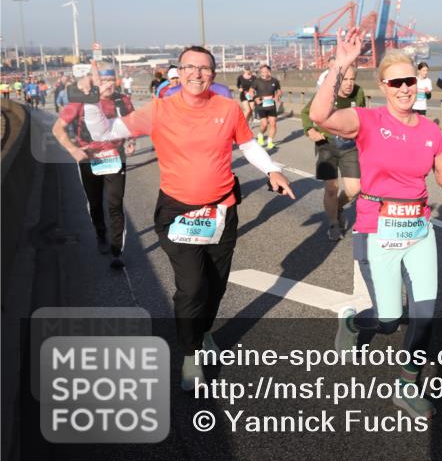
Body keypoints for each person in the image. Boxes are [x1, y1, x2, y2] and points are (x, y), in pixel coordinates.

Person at [76, 46, 295, 390]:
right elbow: (105, 132)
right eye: (190, 67)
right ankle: (191, 355)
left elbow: (248, 145)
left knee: (216, 285)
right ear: (178, 72)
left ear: (213, 73)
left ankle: (202, 332)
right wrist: (89, 98)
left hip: (222, 210)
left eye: (204, 68)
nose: (197, 74)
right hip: (178, 212)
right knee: (192, 286)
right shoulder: (160, 109)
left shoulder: (227, 108)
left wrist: (273, 170)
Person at [310, 28, 442, 420]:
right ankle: (352, 321)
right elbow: (320, 116)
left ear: (417, 83)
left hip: (418, 230)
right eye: (395, 82)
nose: (404, 88)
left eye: (409, 81)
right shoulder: (367, 120)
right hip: (376, 227)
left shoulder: (431, 130)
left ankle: (406, 385)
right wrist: (340, 66)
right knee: (386, 321)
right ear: (383, 86)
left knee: (425, 315)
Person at [52, 61, 136, 268]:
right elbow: (57, 129)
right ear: (95, 81)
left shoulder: (123, 100)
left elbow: (132, 125)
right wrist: (73, 150)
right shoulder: (81, 100)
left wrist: (131, 141)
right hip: (90, 159)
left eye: (111, 80)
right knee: (95, 202)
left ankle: (117, 249)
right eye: (103, 80)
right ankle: (101, 234)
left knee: (115, 203)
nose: (108, 84)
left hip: (115, 156)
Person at [302, 63, 366, 241]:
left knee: (355, 189)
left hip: (350, 146)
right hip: (326, 145)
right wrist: (310, 130)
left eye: (352, 79)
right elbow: (307, 112)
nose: (349, 83)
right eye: (345, 79)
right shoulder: (326, 93)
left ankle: (336, 207)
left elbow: (364, 116)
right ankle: (333, 223)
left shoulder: (358, 93)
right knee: (331, 188)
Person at [253, 64, 282, 150]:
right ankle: (260, 135)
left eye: (265, 71)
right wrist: (255, 98)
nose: (263, 73)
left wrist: (278, 96)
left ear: (269, 72)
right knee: (264, 124)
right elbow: (251, 92)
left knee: (273, 124)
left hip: (271, 105)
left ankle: (270, 142)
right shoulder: (257, 81)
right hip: (261, 106)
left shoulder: (275, 81)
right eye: (262, 72)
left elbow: (279, 91)